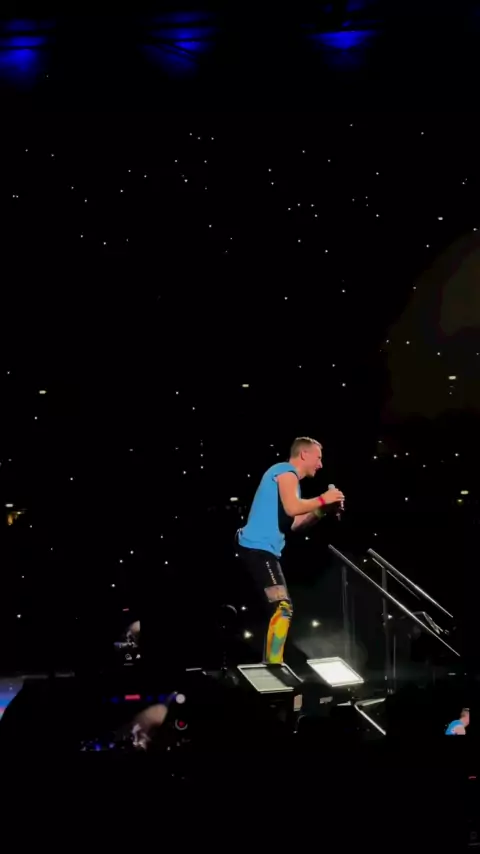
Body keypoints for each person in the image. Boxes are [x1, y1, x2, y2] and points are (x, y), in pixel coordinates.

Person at [237, 437, 344, 665]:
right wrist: (323, 498)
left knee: (280, 608)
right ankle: (273, 665)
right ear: (304, 454)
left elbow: (296, 524)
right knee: (282, 607)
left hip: (263, 551)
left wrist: (323, 510)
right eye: (318, 458)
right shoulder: (285, 471)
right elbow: (293, 507)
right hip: (257, 548)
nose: (320, 464)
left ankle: (272, 662)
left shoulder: (291, 481)